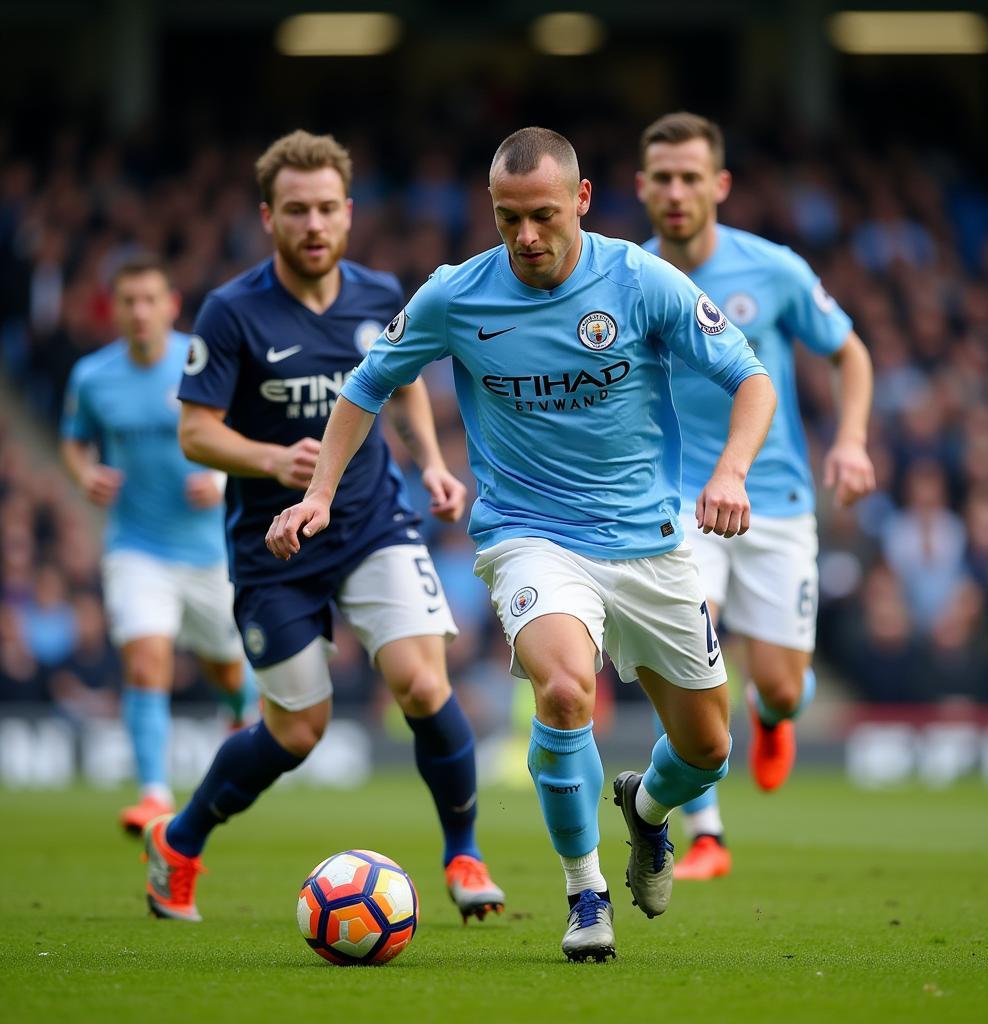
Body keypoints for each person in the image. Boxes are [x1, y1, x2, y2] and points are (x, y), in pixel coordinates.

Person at [266, 127, 777, 962]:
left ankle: (646, 812)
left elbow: (750, 378)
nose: (527, 237)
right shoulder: (455, 295)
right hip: (530, 536)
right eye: (508, 219)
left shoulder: (640, 280)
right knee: (566, 692)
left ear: (580, 200)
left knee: (707, 750)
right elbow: (367, 386)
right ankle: (585, 894)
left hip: (649, 543)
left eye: (543, 215)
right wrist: (318, 492)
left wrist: (731, 472)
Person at [141, 130, 504, 925]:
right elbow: (196, 433)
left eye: (328, 209)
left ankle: (464, 853)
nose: (314, 224)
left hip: (374, 520)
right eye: (297, 210)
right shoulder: (232, 311)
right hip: (271, 547)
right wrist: (277, 464)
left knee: (420, 680)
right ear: (269, 217)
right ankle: (179, 839)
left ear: (349, 214)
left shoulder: (380, 295)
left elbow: (399, 382)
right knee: (299, 729)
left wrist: (434, 462)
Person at [636, 111, 876, 880]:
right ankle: (706, 832)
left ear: (720, 185)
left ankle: (775, 716)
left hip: (774, 498)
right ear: (642, 188)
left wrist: (850, 441)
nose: (676, 192)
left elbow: (851, 353)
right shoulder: (627, 278)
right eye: (662, 179)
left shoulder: (773, 269)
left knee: (777, 683)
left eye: (690, 178)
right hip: (676, 501)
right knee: (688, 652)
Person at [61, 256, 253, 835]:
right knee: (146, 661)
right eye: (128, 301)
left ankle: (245, 712)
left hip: (208, 552)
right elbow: (74, 441)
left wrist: (220, 479)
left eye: (150, 300)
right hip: (135, 547)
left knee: (226, 670)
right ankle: (152, 795)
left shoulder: (201, 358)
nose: (140, 312)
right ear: (114, 309)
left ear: (171, 304)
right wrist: (83, 473)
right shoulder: (92, 377)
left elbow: (248, 430)